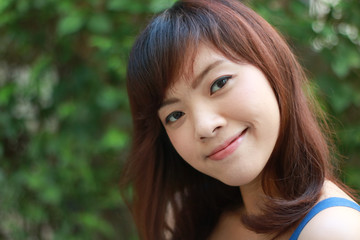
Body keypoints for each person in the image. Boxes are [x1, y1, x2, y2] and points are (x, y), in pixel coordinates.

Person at [120, 0, 360, 239]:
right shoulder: (183, 217)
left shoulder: (333, 230)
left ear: (271, 65)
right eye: (175, 115)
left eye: (219, 83)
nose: (204, 126)